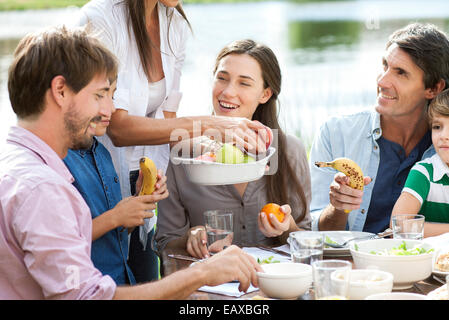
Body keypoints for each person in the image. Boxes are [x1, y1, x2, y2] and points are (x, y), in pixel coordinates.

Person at [0, 25, 261, 299]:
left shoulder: (17, 164)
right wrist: (203, 273)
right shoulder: (41, 189)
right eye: (100, 94)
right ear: (60, 91)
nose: (109, 109)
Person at [77, 0, 269, 283]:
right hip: (98, 184)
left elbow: (168, 123)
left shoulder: (173, 24)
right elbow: (114, 127)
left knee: (143, 284)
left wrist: (220, 150)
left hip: (145, 186)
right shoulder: (100, 17)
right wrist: (211, 124)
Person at [155, 39, 312, 260]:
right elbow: (166, 242)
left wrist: (287, 227)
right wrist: (190, 237)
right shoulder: (182, 154)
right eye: (222, 78)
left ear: (265, 94)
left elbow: (307, 238)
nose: (228, 92)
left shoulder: (289, 151)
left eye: (244, 83)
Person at [309, 22, 449, 234]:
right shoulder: (335, 133)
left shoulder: (444, 145)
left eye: (400, 73)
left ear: (433, 88)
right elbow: (316, 231)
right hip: (353, 263)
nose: (382, 81)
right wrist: (338, 208)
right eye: (385, 66)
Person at [63, 79, 169, 285]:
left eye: (113, 95)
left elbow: (116, 235)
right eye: (101, 95)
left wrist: (139, 201)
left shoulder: (101, 153)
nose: (112, 107)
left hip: (120, 281)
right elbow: (61, 240)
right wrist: (116, 217)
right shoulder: (57, 163)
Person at [392, 89, 449, 237]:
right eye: (437, 127)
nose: (444, 136)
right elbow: (398, 225)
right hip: (431, 259)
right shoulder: (424, 173)